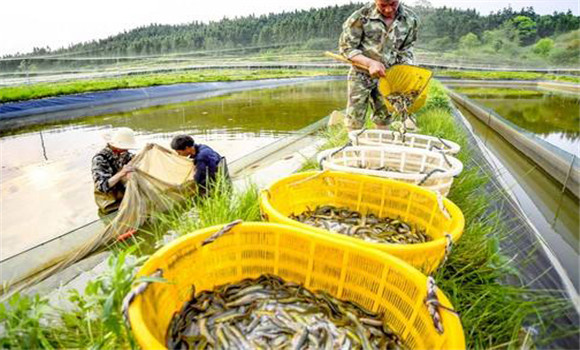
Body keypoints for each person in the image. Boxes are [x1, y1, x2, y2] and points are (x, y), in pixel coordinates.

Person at [339, 0, 419, 130]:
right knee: (354, 118)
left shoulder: (410, 20)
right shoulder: (360, 17)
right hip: (361, 75)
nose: (388, 10)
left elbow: (407, 49)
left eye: (393, 4)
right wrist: (370, 63)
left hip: (388, 76)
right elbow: (346, 48)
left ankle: (382, 145)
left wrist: (406, 68)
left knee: (384, 116)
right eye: (383, 5)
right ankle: (354, 147)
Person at [91, 127, 137, 215]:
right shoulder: (100, 159)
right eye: (125, 147)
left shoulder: (126, 155)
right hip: (111, 204)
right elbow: (102, 187)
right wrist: (122, 173)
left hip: (127, 198)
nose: (127, 149)